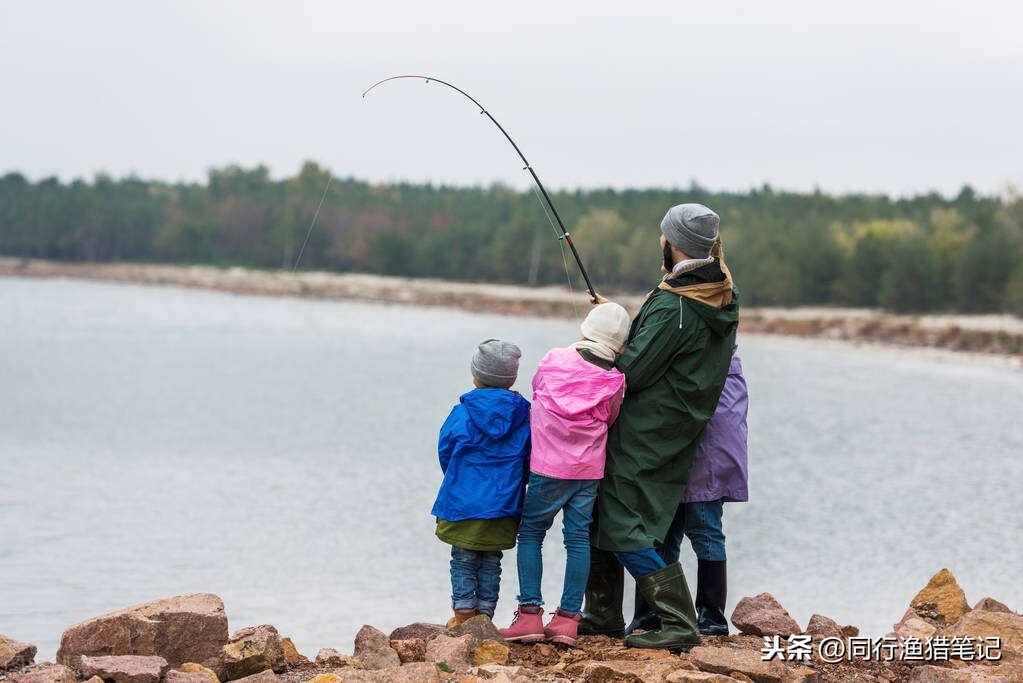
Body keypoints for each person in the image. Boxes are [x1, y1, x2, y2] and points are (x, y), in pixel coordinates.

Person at [580, 203, 739, 651]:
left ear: (670, 243)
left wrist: (603, 342)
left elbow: (634, 369)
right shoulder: (718, 292)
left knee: (618, 520)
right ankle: (603, 615)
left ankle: (679, 622)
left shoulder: (675, 305)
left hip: (647, 430)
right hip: (677, 427)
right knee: (602, 513)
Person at [499, 303, 631, 646]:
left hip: (547, 468)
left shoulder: (553, 360)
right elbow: (610, 418)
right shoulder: (615, 380)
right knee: (577, 538)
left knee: (531, 533)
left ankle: (529, 615)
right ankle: (568, 620)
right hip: (588, 471)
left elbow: (538, 389)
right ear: (619, 344)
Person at [624, 347, 749, 637]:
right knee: (662, 532)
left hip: (703, 453)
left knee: (704, 530)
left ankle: (711, 615)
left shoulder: (712, 359)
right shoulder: (708, 349)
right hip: (679, 451)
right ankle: (657, 613)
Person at [431, 339, 532, 627]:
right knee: (491, 560)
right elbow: (529, 458)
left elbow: (445, 451)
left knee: (462, 557)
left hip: (463, 500)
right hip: (504, 502)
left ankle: (463, 614)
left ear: (476, 375)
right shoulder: (524, 415)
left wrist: (458, 479)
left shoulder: (462, 412)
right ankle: (485, 616)